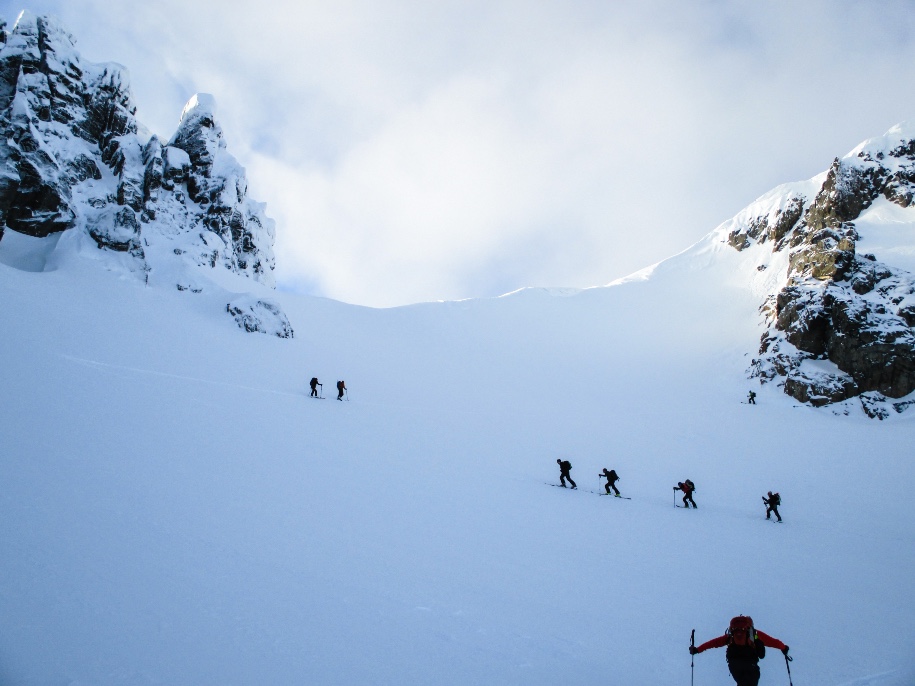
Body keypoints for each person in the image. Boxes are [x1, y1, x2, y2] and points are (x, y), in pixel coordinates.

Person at [690, 615, 789, 686]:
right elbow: (773, 642)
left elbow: (713, 643)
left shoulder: (730, 636)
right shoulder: (755, 635)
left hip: (734, 665)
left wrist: (698, 649)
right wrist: (784, 648)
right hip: (751, 665)